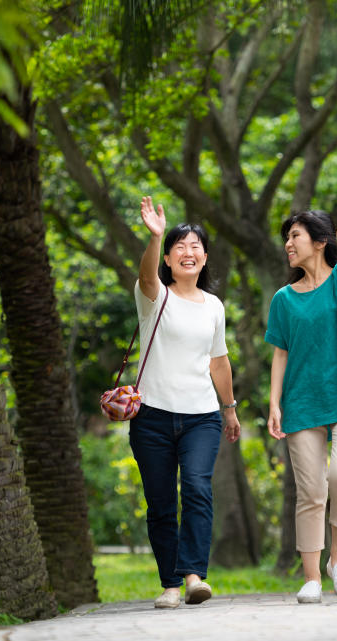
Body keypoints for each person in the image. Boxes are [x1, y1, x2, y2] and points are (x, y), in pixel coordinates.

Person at [131, 196, 241, 609]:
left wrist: (229, 410)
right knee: (161, 503)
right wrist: (155, 237)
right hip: (152, 417)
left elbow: (219, 361)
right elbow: (146, 275)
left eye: (196, 246)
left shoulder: (214, 306)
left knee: (196, 489)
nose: (188, 251)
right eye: (180, 246)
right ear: (169, 258)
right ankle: (170, 585)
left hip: (201, 418)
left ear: (205, 257)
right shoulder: (154, 296)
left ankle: (195, 575)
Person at [265, 210, 337, 604]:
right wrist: (274, 403)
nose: (288, 244)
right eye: (286, 238)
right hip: (301, 403)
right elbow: (280, 354)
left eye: (295, 236)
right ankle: (312, 577)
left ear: (319, 241)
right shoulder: (283, 299)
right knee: (310, 492)